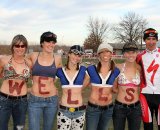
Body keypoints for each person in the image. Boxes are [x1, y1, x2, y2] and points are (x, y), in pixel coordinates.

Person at [27, 31, 62, 130]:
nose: (51, 44)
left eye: (53, 42)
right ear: (42, 43)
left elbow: (62, 74)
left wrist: (53, 84)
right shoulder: (33, 55)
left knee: (48, 128)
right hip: (35, 100)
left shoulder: (58, 58)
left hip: (51, 100)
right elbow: (21, 64)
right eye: (48, 41)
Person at [85, 43, 120, 130]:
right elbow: (82, 85)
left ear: (111, 54)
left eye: (107, 51)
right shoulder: (91, 69)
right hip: (93, 108)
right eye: (102, 52)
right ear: (98, 54)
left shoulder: (116, 71)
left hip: (108, 109)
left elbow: (115, 89)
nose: (105, 54)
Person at [0, 34, 31, 130]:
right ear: (12, 46)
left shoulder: (29, 63)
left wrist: (30, 90)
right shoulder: (4, 60)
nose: (20, 48)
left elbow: (36, 79)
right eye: (17, 45)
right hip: (4, 100)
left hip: (22, 101)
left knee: (19, 128)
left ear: (25, 47)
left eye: (23, 46)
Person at [56, 45, 87, 130]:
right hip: (64, 111)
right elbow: (49, 82)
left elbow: (90, 80)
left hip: (79, 111)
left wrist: (81, 89)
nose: (76, 57)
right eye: (74, 54)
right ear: (69, 54)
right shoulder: (59, 71)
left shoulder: (84, 70)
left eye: (79, 56)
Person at [112, 42, 142, 130]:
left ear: (137, 53)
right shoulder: (118, 68)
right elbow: (114, 88)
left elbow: (140, 87)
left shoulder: (139, 68)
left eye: (133, 52)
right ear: (124, 53)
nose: (130, 55)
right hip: (120, 108)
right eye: (128, 52)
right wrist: (123, 91)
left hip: (135, 108)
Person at [136, 28, 160, 130]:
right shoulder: (139, 56)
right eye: (148, 39)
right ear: (144, 40)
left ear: (157, 40)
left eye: (153, 39)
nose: (151, 42)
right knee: (147, 125)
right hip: (145, 95)